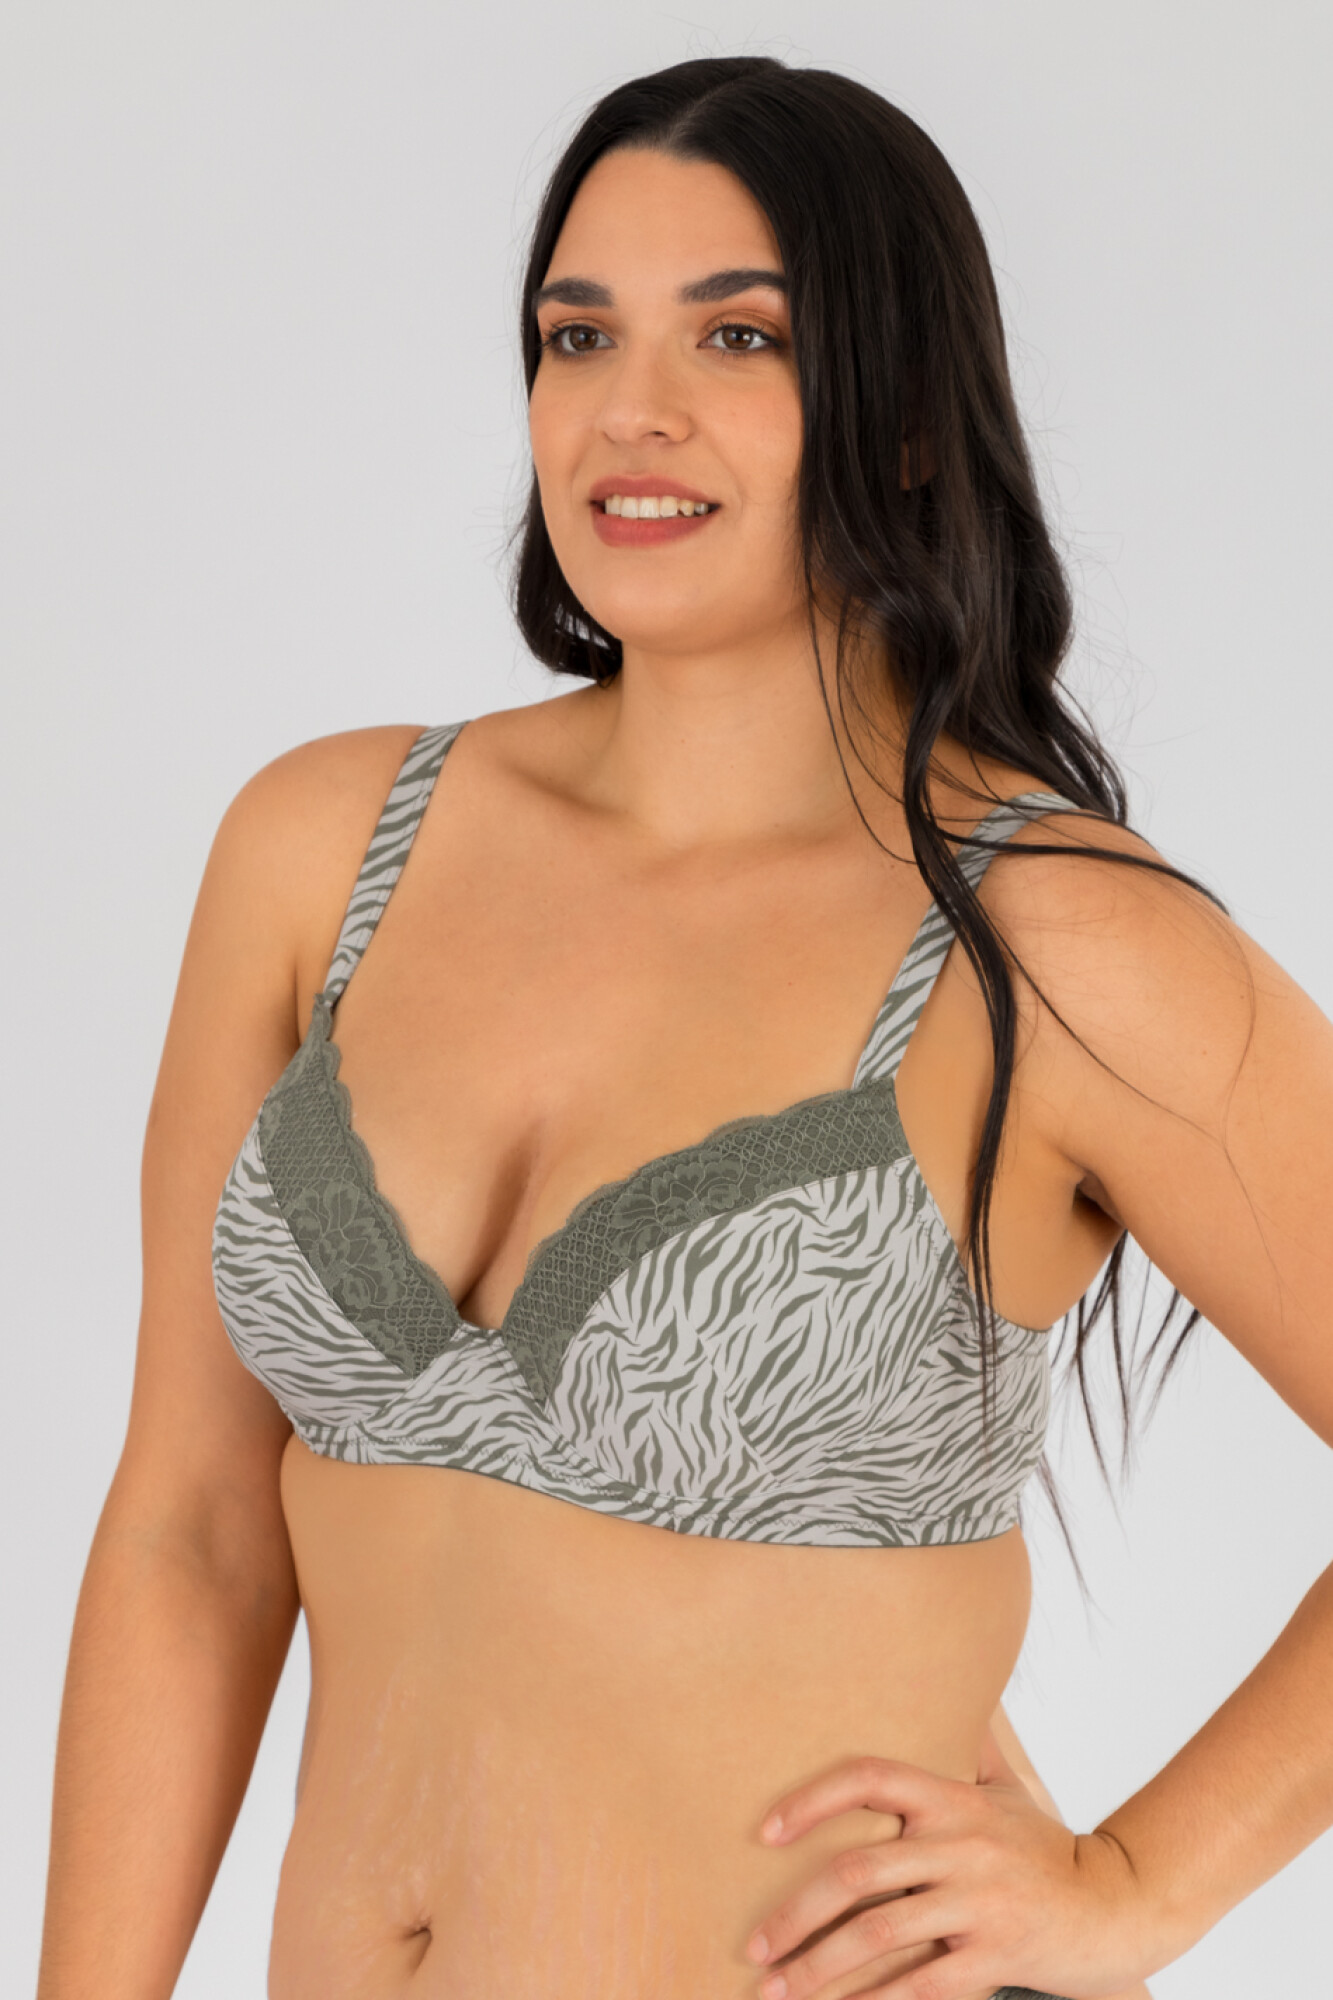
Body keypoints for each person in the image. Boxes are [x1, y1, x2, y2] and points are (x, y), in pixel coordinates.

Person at [35, 53, 1333, 2000]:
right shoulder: (324, 847)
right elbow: (194, 1532)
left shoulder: (1050, 939)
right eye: (578, 335)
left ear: (907, 418)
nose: (626, 411)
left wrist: (1138, 1879)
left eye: (738, 336)